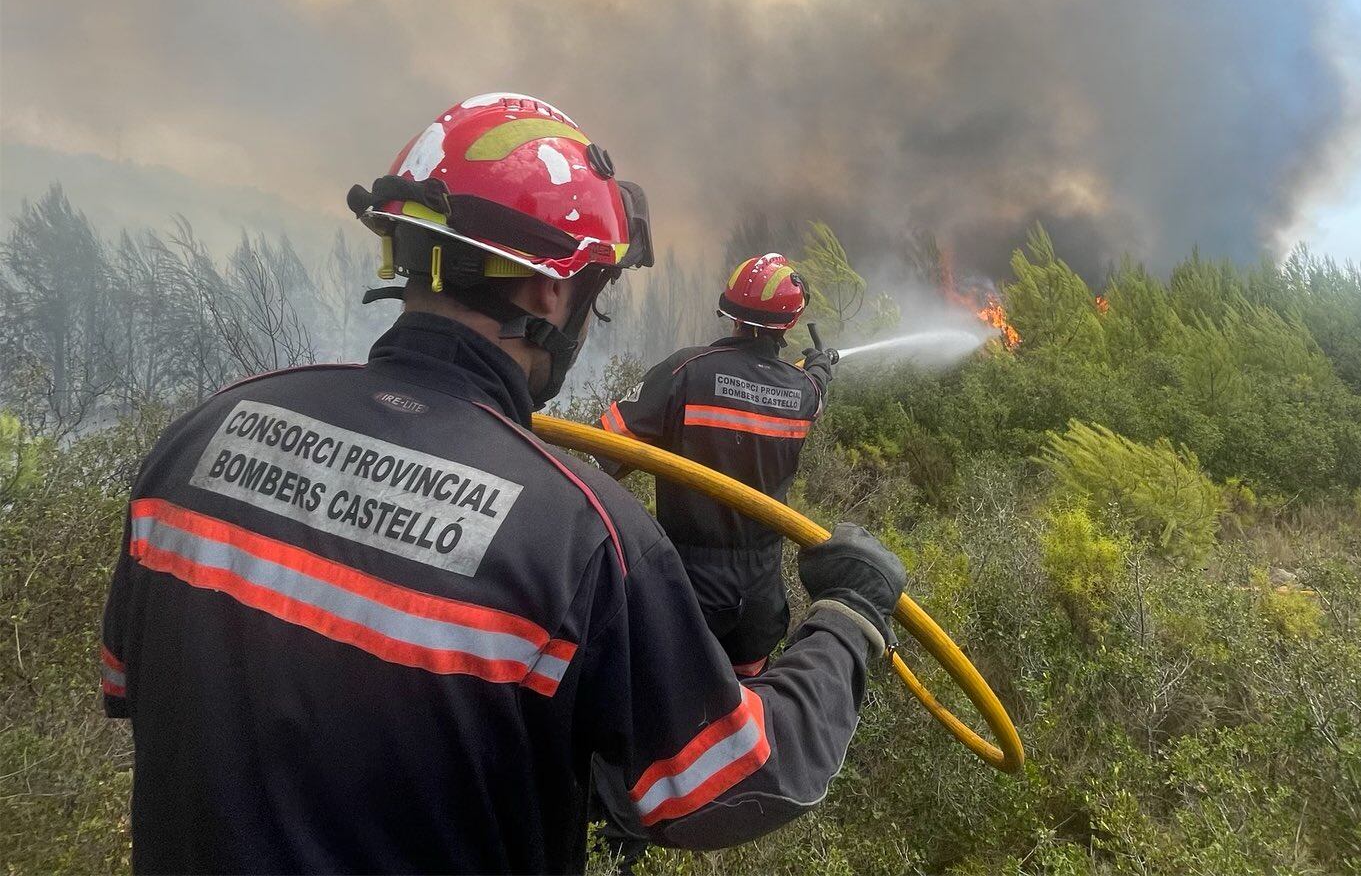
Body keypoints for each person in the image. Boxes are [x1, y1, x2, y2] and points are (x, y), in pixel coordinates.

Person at [98, 94, 905, 875]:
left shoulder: (201, 436)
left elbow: (127, 686)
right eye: (598, 294)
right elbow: (737, 780)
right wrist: (847, 620)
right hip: (751, 591)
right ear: (552, 289)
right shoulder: (583, 539)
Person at [598, 254, 837, 676]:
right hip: (760, 590)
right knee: (741, 704)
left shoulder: (686, 370)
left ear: (731, 313)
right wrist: (820, 367)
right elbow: (815, 392)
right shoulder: (802, 393)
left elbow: (607, 447)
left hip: (686, 583)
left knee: (670, 694)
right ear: (790, 325)